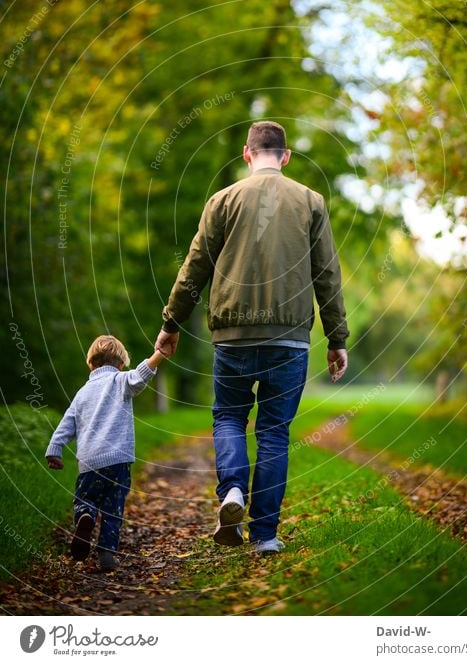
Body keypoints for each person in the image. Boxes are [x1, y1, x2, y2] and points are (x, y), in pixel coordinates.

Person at [155, 121, 349, 554]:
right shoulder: (311, 201)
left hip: (232, 335)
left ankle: (233, 492)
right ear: (285, 156)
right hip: (290, 338)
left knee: (228, 418)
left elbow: (194, 269)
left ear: (247, 154)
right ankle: (265, 536)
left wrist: (171, 325)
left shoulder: (222, 201)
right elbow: (327, 274)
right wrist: (337, 337)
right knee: (275, 432)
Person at [45, 335, 168, 571]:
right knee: (113, 511)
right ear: (121, 363)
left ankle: (86, 516)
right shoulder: (119, 381)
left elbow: (66, 424)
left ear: (91, 363)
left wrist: (55, 449)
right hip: (118, 462)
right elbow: (139, 376)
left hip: (90, 462)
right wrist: (158, 356)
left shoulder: (82, 393)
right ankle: (107, 555)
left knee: (86, 498)